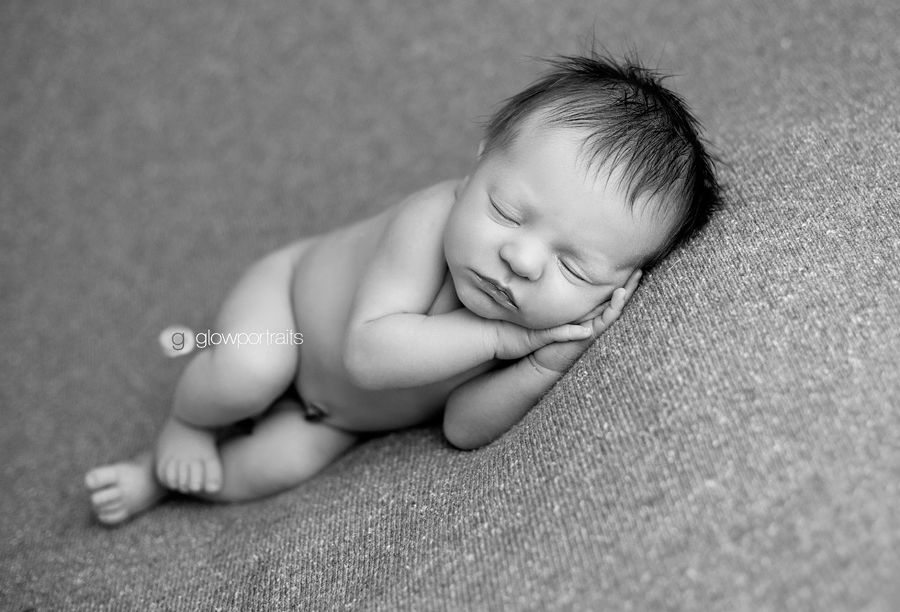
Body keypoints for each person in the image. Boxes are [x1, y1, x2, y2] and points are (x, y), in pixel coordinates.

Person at [85, 52, 720, 525]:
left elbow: (462, 428)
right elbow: (369, 353)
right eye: (505, 211)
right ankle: (185, 424)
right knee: (250, 369)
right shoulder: (429, 224)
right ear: (475, 168)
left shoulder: (538, 328)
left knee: (278, 467)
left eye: (577, 270)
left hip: (338, 417)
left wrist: (547, 361)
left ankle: (156, 482)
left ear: (620, 287)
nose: (521, 259)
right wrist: (501, 338)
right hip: (288, 311)